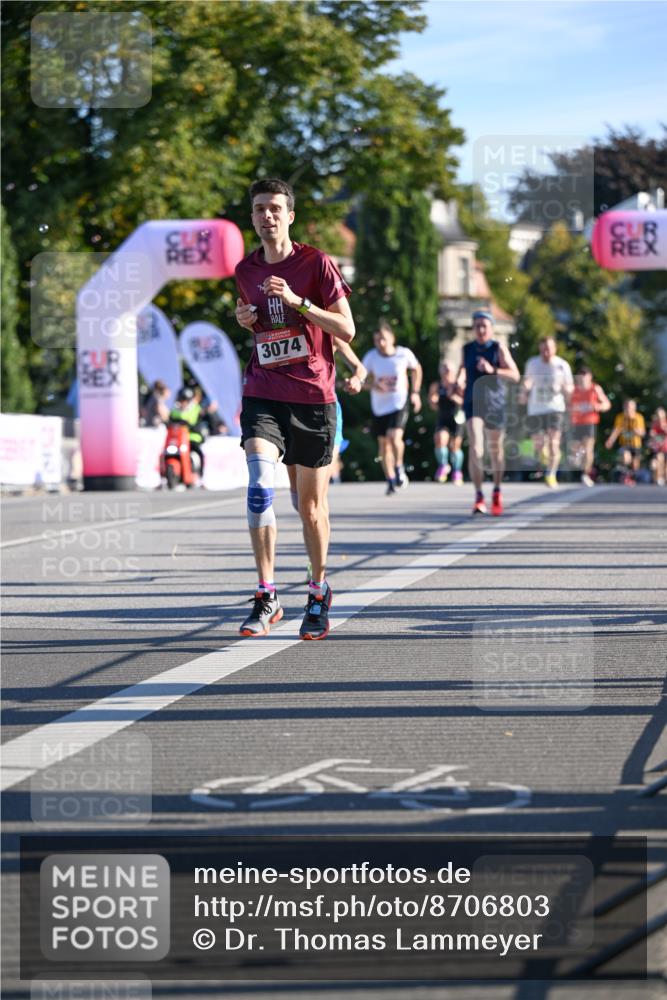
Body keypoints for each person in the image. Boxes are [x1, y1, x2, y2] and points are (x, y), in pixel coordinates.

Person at [234, 177, 354, 640]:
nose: (267, 215)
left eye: (275, 208)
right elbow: (260, 324)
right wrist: (245, 319)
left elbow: (347, 329)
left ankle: (318, 589)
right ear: (252, 216)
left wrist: (299, 302)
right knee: (260, 486)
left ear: (290, 216)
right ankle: (267, 594)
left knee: (310, 508)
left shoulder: (316, 263)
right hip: (264, 391)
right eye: (259, 208)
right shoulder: (245, 271)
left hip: (312, 396)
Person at [287, 338, 367, 581]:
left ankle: (317, 563)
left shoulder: (328, 328)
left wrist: (357, 379)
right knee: (298, 498)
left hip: (325, 412)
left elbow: (360, 367)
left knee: (316, 500)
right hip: (290, 411)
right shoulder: (284, 325)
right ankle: (315, 545)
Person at [456, 310, 520, 516]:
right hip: (472, 403)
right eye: (477, 326)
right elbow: (462, 370)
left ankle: (497, 489)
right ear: (473, 329)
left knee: (495, 450)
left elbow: (515, 375)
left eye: (485, 325)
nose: (481, 329)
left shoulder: (498, 348)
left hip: (494, 404)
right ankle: (478, 495)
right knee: (475, 448)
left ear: (492, 329)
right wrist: (458, 380)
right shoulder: (466, 349)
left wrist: (492, 369)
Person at [362, 322, 422, 494]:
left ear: (392, 338)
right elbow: (360, 380)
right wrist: (374, 385)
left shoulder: (403, 354)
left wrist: (415, 392)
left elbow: (417, 369)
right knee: (383, 444)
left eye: (383, 339)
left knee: (394, 436)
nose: (380, 343)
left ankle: (399, 467)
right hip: (379, 406)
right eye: (377, 340)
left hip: (399, 402)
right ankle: (389, 480)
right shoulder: (371, 357)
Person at [521, 336, 574, 489]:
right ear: (540, 349)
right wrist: (525, 390)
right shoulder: (532, 363)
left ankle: (551, 474)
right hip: (536, 409)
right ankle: (544, 458)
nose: (546, 352)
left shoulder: (562, 365)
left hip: (555, 408)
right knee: (538, 444)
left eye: (549, 348)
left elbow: (570, 388)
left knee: (554, 443)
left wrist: (565, 389)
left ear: (555, 349)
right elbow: (527, 381)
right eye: (543, 349)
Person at [568, 366, 611, 486]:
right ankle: (578, 465)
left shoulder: (595, 389)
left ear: (590, 377)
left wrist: (598, 406)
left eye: (584, 377)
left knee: (588, 449)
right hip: (576, 423)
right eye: (580, 377)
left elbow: (607, 404)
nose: (582, 379)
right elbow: (566, 405)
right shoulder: (573, 390)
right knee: (574, 450)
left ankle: (585, 474)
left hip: (589, 423)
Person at [428, 361, 464, 484]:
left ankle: (457, 471)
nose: (447, 372)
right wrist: (433, 401)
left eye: (449, 369)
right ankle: (443, 466)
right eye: (444, 369)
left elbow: (465, 403)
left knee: (455, 447)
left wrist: (454, 397)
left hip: (457, 418)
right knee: (439, 439)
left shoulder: (458, 385)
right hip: (443, 418)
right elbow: (433, 405)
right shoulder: (437, 386)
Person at [168, 386, 206, 483]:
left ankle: (200, 474)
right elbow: (170, 418)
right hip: (177, 438)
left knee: (198, 452)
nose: (183, 402)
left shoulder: (195, 408)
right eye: (181, 399)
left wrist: (182, 421)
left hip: (192, 437)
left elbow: (192, 421)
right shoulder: (175, 408)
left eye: (184, 400)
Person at [605, 398, 646, 484]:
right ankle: (625, 476)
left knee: (635, 465)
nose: (628, 409)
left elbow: (642, 433)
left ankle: (633, 477)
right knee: (626, 458)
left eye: (630, 407)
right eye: (626, 407)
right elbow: (616, 430)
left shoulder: (638, 417)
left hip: (636, 445)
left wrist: (635, 430)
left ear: (634, 408)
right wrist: (610, 440)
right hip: (624, 444)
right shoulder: (620, 417)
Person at [648, 407, 667, 486]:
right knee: (658, 460)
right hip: (659, 449)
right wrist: (652, 435)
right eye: (658, 416)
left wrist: (664, 429)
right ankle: (658, 479)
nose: (660, 418)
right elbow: (652, 435)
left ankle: (664, 479)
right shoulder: (654, 425)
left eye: (661, 416)